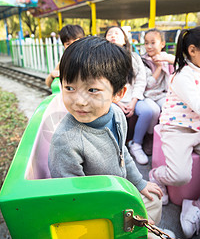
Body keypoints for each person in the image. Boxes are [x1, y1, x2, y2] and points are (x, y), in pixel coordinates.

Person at [48, 36, 164, 238]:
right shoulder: (67, 140)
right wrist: (123, 216)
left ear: (118, 93)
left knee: (154, 198)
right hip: (96, 212)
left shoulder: (117, 114)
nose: (79, 101)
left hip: (118, 192)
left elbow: (122, 152)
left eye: (92, 90)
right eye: (69, 88)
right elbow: (74, 199)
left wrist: (139, 183)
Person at [149, 27, 200, 207]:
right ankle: (156, 176)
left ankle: (194, 206)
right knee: (180, 176)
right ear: (192, 51)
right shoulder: (183, 76)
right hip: (178, 129)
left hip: (198, 128)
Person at [104, 26, 153, 165]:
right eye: (109, 33)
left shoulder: (134, 58)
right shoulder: (101, 59)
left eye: (117, 33)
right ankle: (116, 149)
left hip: (133, 98)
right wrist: (116, 101)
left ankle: (136, 144)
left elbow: (140, 80)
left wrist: (133, 101)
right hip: (112, 100)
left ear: (125, 39)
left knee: (147, 111)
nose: (113, 35)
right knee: (112, 113)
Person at [142, 28, 175, 155]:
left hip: (162, 93)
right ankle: (149, 138)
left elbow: (179, 68)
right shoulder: (143, 61)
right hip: (148, 95)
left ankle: (167, 139)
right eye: (146, 43)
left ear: (162, 44)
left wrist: (166, 60)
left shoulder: (167, 59)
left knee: (167, 108)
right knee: (154, 111)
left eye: (152, 42)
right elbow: (148, 84)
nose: (149, 46)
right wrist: (159, 67)